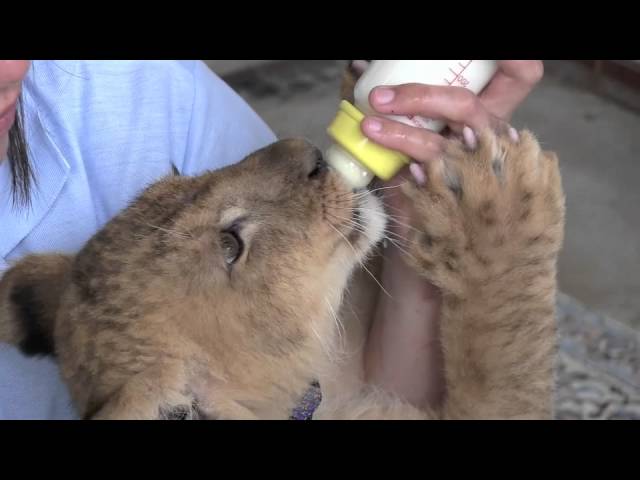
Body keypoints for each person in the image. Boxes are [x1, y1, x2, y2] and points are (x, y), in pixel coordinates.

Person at [0, 60, 543, 419]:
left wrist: (422, 228)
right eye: (231, 242)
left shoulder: (109, 81)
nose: (292, 149)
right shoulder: (175, 389)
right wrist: (506, 271)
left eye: (184, 180)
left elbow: (380, 396)